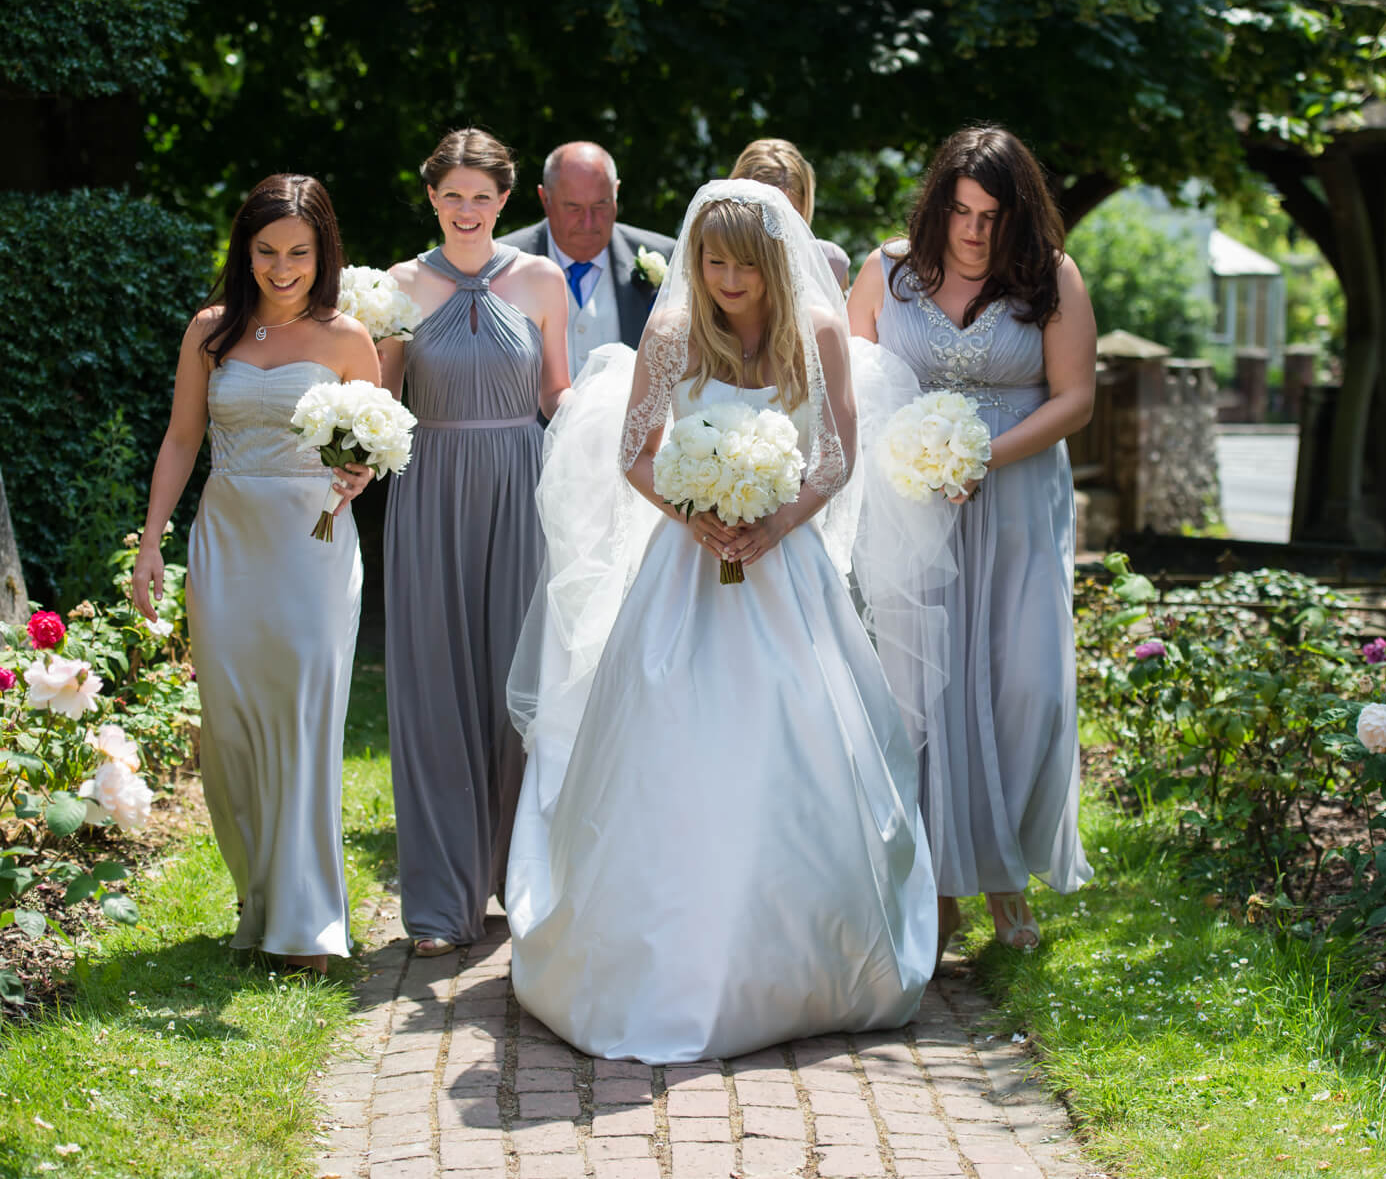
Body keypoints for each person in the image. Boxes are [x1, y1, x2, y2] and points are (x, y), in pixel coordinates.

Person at [504, 179, 936, 1063]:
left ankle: (809, 964)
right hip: (686, 568)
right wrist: (696, 516)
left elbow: (836, 456)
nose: (728, 281)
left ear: (776, 263)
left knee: (800, 747)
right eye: (712, 263)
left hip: (787, 567)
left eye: (745, 266)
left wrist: (775, 523)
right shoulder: (672, 333)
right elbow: (636, 453)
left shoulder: (816, 334)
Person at [847, 125, 1099, 957]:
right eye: (961, 211)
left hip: (1018, 503)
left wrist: (986, 454)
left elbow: (1074, 398)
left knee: (1026, 687)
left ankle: (1006, 871)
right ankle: (942, 886)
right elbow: (848, 383)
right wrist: (902, 456)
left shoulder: (1052, 276)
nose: (974, 231)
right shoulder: (887, 273)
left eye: (992, 215)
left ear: (1017, 213)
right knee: (927, 691)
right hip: (914, 510)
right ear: (937, 206)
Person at [131, 174, 381, 974]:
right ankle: (261, 898)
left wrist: (359, 472)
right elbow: (181, 439)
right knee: (232, 729)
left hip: (313, 545)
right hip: (227, 542)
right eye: (267, 251)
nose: (281, 268)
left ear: (322, 252)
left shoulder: (348, 338)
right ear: (245, 250)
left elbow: (372, 443)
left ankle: (308, 923)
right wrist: (151, 542)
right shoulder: (210, 331)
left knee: (304, 716)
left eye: (298, 253)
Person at [378, 128, 572, 958]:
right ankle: (439, 901)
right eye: (452, 195)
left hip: (521, 490)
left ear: (505, 199)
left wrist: (614, 431)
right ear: (432, 197)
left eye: (481, 196)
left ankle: (516, 880)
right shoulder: (397, 286)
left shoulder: (542, 280)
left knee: (516, 689)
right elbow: (380, 400)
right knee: (434, 687)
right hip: (430, 491)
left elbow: (557, 393)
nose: (466, 210)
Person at [499, 141, 676, 375]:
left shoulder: (668, 256)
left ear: (616, 193)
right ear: (545, 199)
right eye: (573, 207)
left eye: (600, 205)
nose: (588, 222)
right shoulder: (501, 264)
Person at [728, 137, 851, 291]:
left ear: (803, 206)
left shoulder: (830, 263)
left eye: (785, 215)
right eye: (759, 214)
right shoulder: (716, 265)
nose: (771, 229)